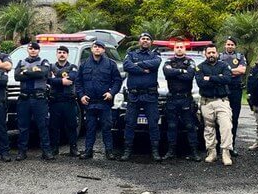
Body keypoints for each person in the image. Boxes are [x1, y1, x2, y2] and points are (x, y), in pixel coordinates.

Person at [75, 39, 122, 160]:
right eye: (95, 46)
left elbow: (117, 81)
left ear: (103, 50)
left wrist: (111, 93)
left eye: (100, 47)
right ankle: (88, 151)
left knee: (106, 128)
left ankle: (109, 152)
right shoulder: (84, 64)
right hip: (89, 103)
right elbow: (78, 82)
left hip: (104, 102)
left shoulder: (110, 64)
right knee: (90, 128)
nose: (97, 48)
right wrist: (81, 95)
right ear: (91, 49)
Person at [121, 31, 162, 162]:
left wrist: (137, 64)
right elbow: (126, 66)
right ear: (139, 41)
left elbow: (155, 64)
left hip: (150, 96)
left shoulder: (155, 55)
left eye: (147, 39)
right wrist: (143, 69)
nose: (145, 41)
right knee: (130, 123)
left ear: (151, 42)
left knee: (153, 124)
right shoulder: (131, 54)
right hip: (134, 96)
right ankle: (127, 151)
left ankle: (155, 152)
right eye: (143, 38)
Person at [14, 41, 55, 161]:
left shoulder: (44, 62)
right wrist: (34, 72)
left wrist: (26, 72)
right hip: (24, 98)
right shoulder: (21, 62)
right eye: (31, 48)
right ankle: (22, 152)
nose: (33, 50)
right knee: (23, 126)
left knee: (43, 126)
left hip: (39, 99)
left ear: (38, 50)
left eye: (35, 49)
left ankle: (46, 151)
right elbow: (17, 76)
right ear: (27, 50)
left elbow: (42, 73)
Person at [162, 39, 201, 161]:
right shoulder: (168, 60)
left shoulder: (191, 61)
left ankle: (194, 152)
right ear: (174, 49)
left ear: (185, 49)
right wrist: (181, 71)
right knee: (171, 126)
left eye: (181, 47)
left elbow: (189, 76)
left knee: (190, 126)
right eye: (177, 47)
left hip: (186, 98)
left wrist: (175, 73)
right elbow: (167, 73)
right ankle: (171, 152)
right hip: (172, 98)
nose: (179, 49)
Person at [195, 44, 233, 166]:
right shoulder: (200, 67)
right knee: (209, 129)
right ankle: (211, 152)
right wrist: (218, 78)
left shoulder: (224, 65)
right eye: (209, 53)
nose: (211, 55)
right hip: (206, 102)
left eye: (213, 52)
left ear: (217, 53)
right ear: (205, 54)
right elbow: (201, 83)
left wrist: (209, 78)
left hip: (222, 101)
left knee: (226, 127)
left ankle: (226, 153)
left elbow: (227, 79)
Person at [48, 45, 79, 157]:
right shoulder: (50, 67)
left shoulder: (73, 67)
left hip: (68, 101)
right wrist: (61, 81)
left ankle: (73, 148)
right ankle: (54, 149)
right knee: (54, 126)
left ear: (67, 55)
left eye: (64, 53)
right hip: (55, 101)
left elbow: (71, 79)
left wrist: (55, 78)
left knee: (72, 126)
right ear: (56, 54)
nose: (62, 54)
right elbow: (48, 80)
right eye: (60, 52)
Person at [219, 36, 247, 154]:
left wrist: (226, 71)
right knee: (221, 119)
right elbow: (217, 72)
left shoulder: (240, 57)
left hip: (236, 90)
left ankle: (232, 146)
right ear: (225, 45)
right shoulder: (219, 57)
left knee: (234, 119)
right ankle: (220, 146)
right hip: (222, 90)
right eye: (228, 44)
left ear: (235, 46)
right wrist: (234, 70)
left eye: (232, 44)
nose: (230, 46)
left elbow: (242, 71)